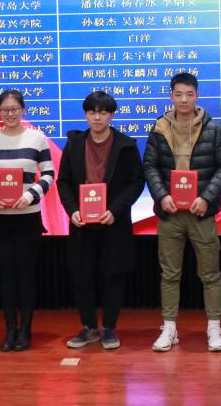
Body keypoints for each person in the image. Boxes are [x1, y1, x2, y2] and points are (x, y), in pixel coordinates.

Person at [143, 72, 221, 352]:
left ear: (197, 96)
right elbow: (150, 166)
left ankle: (214, 329)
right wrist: (162, 195)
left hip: (201, 213)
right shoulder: (159, 127)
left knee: (210, 274)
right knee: (170, 274)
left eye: (189, 94)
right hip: (170, 213)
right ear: (171, 96)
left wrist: (207, 198)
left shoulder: (213, 129)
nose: (184, 99)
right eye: (178, 94)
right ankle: (169, 328)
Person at [57, 91, 144, 351]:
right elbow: (63, 182)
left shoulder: (125, 145)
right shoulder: (74, 144)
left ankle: (108, 328)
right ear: (86, 115)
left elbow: (136, 182)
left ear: (112, 115)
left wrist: (115, 210)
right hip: (82, 223)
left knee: (113, 276)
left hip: (113, 222)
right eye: (92, 112)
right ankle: (88, 327)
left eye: (103, 112)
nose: (97, 117)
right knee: (82, 276)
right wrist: (72, 210)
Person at [0, 89, 55, 352]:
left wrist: (31, 195)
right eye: (5, 110)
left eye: (14, 109)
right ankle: (10, 329)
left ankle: (25, 330)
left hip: (27, 217)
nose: (10, 114)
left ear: (23, 110)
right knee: (6, 275)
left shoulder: (37, 138)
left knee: (25, 274)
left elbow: (48, 174)